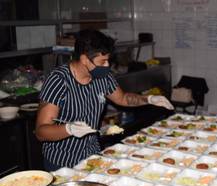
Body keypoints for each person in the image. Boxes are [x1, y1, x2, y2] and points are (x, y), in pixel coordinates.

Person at [36, 29, 174, 171]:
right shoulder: (59, 80)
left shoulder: (103, 77)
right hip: (61, 161)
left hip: (92, 155)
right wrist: (68, 129)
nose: (107, 65)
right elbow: (41, 132)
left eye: (108, 60)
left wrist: (149, 99)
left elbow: (123, 98)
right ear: (84, 59)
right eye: (102, 61)